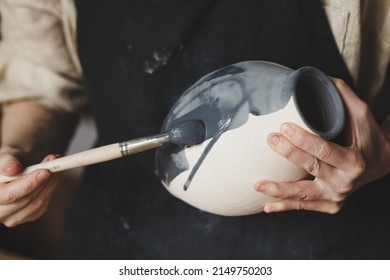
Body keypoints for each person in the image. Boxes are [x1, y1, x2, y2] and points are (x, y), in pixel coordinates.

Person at [0, 0, 389, 259]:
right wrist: (15, 158)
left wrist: (383, 152)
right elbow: (43, 78)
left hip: (327, 246)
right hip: (118, 241)